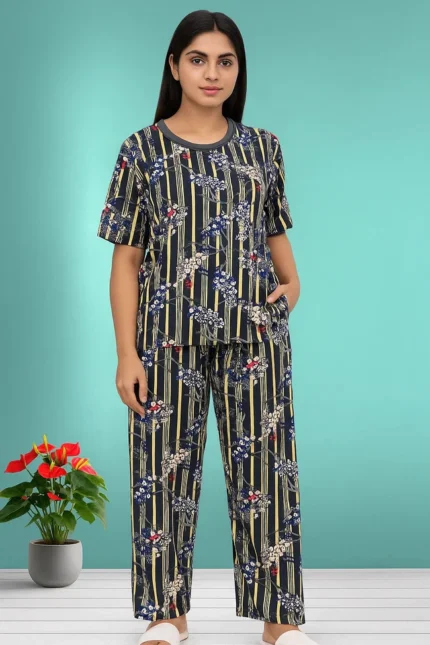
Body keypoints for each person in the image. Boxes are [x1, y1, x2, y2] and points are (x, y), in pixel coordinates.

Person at [96, 9, 317, 645]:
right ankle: (167, 615)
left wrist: (291, 288)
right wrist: (126, 354)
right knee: (160, 475)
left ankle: (280, 620)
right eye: (198, 59)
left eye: (225, 61)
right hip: (165, 342)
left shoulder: (263, 147)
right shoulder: (141, 151)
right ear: (174, 66)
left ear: (238, 70)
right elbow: (126, 261)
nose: (211, 73)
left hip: (255, 338)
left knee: (268, 475)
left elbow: (276, 239)